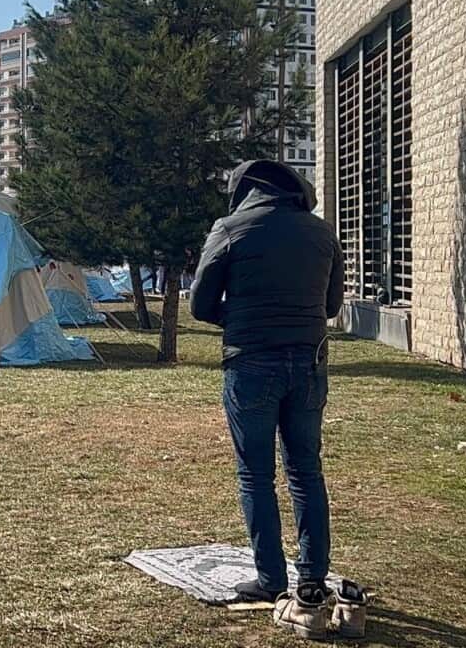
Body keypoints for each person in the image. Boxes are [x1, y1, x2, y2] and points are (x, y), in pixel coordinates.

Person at [190, 159, 345, 639]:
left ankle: (270, 578)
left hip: (251, 361)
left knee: (255, 473)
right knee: (305, 470)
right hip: (309, 361)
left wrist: (242, 319)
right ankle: (313, 580)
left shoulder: (231, 228)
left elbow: (199, 304)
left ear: (246, 193)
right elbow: (333, 305)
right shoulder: (322, 234)